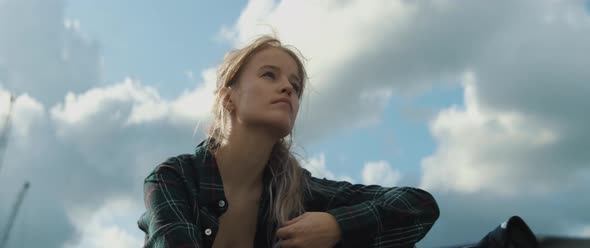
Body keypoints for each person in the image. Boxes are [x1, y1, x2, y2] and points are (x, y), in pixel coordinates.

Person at [137, 35, 440, 248]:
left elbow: (419, 205)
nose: (287, 88)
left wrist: (337, 227)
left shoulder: (296, 189)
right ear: (228, 98)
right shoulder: (174, 179)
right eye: (270, 75)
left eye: (295, 86)